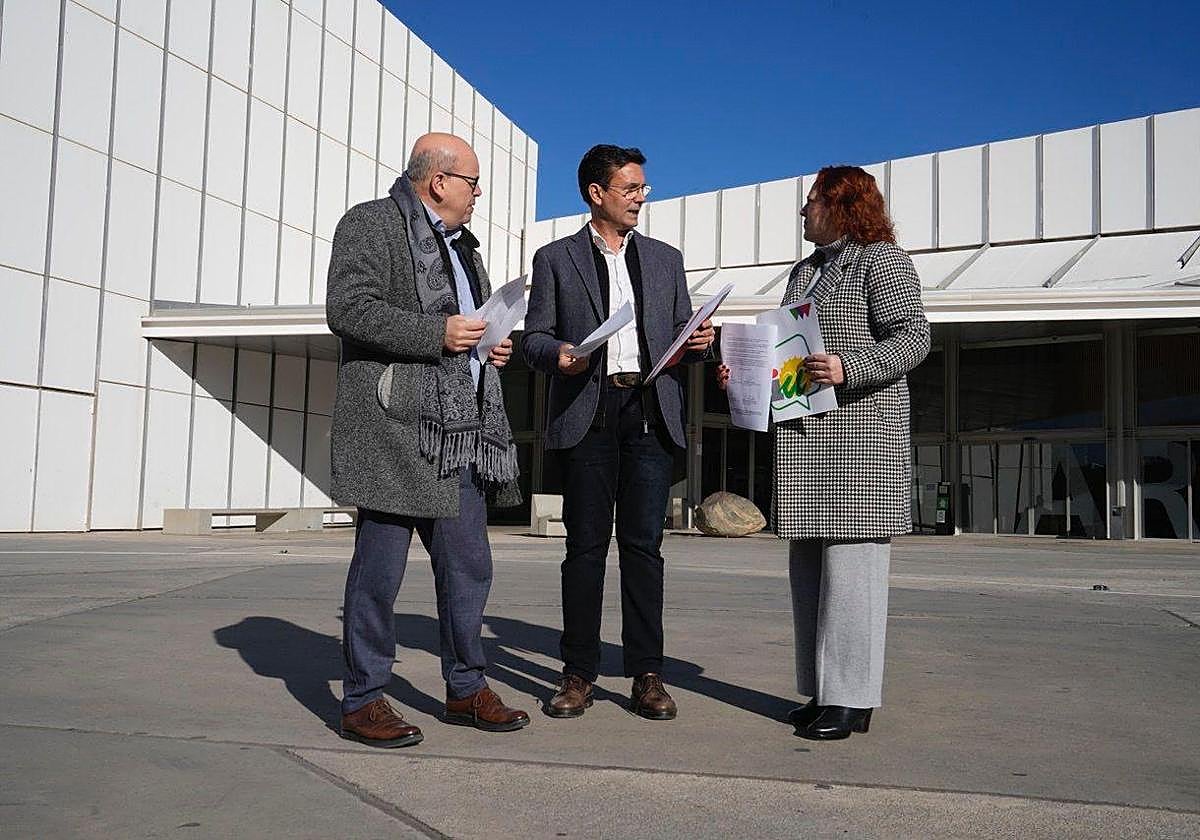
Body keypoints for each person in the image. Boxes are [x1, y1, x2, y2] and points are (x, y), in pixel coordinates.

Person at [326, 133, 529, 748]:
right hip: (394, 431)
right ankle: (363, 699)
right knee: (378, 574)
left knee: (469, 567)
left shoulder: (465, 248)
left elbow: (468, 328)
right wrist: (436, 332)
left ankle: (466, 688)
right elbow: (349, 309)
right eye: (471, 182)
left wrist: (490, 342)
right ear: (437, 180)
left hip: (457, 435)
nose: (476, 195)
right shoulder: (370, 224)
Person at [718, 165, 929, 740]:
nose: (803, 212)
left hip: (862, 442)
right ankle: (825, 691)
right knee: (809, 575)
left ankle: (853, 696)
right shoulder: (804, 271)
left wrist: (849, 366)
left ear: (841, 204)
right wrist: (746, 373)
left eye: (810, 201)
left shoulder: (881, 258)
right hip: (806, 441)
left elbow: (915, 336)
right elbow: (789, 349)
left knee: (853, 574)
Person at [523, 145, 715, 720]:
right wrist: (557, 352)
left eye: (643, 188)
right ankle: (578, 673)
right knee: (584, 550)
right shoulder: (555, 258)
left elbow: (680, 330)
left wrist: (698, 343)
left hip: (650, 410)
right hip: (590, 412)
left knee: (643, 549)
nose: (641, 198)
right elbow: (534, 337)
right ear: (596, 193)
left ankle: (647, 674)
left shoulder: (664, 259)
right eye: (630, 188)